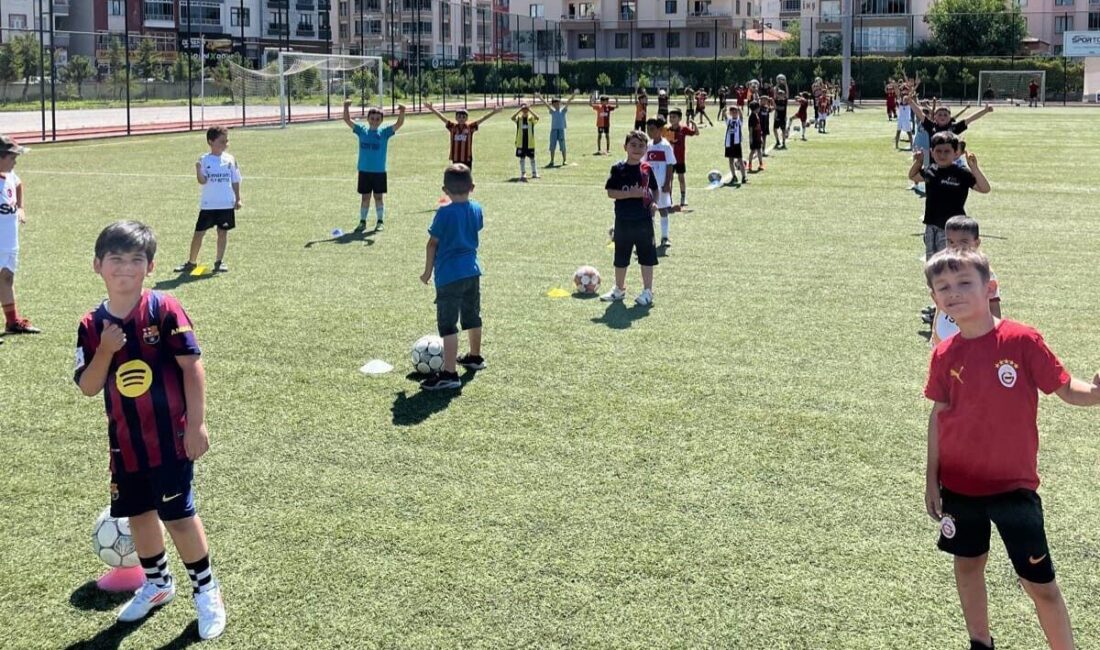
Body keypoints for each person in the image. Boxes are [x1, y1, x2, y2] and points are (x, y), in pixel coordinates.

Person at [923, 246, 1100, 650]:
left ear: (990, 288)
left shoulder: (1021, 340)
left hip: (1013, 489)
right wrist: (931, 479)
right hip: (959, 488)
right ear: (934, 299)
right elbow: (938, 416)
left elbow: (1066, 388)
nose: (954, 292)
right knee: (967, 566)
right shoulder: (944, 353)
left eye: (964, 282)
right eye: (943, 287)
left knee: (1040, 585)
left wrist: (1095, 393)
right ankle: (980, 643)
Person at [75, 220, 226, 640]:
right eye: (116, 260)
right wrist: (106, 349)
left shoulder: (164, 309)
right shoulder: (91, 325)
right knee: (140, 516)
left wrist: (196, 424)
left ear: (150, 266)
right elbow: (88, 386)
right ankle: (158, 584)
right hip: (125, 445)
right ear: (97, 266)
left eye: (135, 260)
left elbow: (192, 367)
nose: (125, 268)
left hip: (171, 441)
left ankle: (207, 590)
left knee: (179, 517)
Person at [418, 164, 485, 391]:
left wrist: (427, 272)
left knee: (448, 325)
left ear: (445, 189)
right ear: (472, 187)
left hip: (449, 275)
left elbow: (432, 243)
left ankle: (449, 373)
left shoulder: (444, 213)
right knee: (472, 316)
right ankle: (475, 357)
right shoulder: (476, 208)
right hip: (472, 271)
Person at [908, 132, 991, 263]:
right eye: (938, 151)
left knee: (948, 263)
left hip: (952, 229)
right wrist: (918, 162)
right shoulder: (931, 170)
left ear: (955, 153)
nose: (942, 155)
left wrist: (974, 168)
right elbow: (913, 176)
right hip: (931, 225)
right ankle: (934, 284)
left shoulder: (961, 173)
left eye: (947, 151)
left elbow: (985, 188)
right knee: (932, 264)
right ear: (932, 152)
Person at [601, 130, 659, 307]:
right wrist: (630, 194)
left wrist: (654, 203)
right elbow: (611, 192)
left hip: (643, 221)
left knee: (646, 257)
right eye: (633, 145)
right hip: (623, 221)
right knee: (621, 256)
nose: (637, 148)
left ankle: (647, 291)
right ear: (625, 147)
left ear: (646, 149)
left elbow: (655, 190)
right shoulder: (618, 169)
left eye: (641, 146)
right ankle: (619, 289)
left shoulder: (647, 169)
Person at [173, 127, 242, 275]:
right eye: (222, 141)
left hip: (225, 204)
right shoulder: (204, 160)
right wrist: (198, 169)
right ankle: (191, 263)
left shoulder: (230, 159)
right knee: (199, 233)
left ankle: (219, 262)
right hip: (208, 204)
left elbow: (235, 180)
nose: (226, 144)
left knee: (222, 233)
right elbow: (202, 181)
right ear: (211, 142)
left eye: (227, 140)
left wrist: (238, 198)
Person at [928, 216, 1001, 343]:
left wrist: (994, 335)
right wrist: (935, 331)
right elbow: (939, 305)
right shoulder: (942, 270)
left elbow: (994, 307)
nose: (956, 248)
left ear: (977, 243)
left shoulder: (985, 273)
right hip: (944, 334)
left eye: (963, 243)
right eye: (950, 242)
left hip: (972, 334)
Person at [344, 99, 406, 232]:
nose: (374, 120)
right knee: (365, 197)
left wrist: (402, 111)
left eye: (378, 119)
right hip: (364, 171)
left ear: (381, 120)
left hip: (379, 172)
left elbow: (399, 123)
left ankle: (380, 221)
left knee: (378, 197)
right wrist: (346, 107)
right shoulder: (361, 130)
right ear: (368, 119)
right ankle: (362, 221)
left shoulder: (384, 133)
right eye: (372, 118)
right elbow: (347, 120)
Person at [0, 134, 39, 341]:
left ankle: (12, 321)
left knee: (7, 278)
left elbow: (18, 184)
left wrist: (21, 208)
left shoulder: (10, 175)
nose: (15, 161)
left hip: (9, 241)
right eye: (12, 157)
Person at [424, 102, 502, 168]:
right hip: (456, 158)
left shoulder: (470, 127)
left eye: (463, 117)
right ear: (456, 118)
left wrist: (493, 112)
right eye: (459, 117)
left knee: (466, 179)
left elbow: (482, 119)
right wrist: (432, 109)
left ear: (466, 118)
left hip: (467, 159)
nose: (461, 119)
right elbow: (442, 118)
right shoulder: (452, 127)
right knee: (456, 179)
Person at [644, 118, 677, 248]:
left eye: (652, 129)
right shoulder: (648, 145)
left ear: (659, 130)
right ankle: (649, 237)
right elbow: (644, 164)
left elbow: (670, 165)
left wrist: (667, 183)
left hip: (662, 184)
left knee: (663, 210)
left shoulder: (665, 146)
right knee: (649, 211)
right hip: (649, 186)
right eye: (648, 129)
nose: (649, 132)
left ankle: (665, 237)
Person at [664, 108, 698, 207]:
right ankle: (668, 199)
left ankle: (683, 197)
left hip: (680, 159)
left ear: (679, 118)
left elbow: (696, 133)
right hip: (669, 159)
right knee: (669, 179)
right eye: (670, 117)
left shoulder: (683, 129)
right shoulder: (666, 129)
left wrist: (694, 124)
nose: (671, 119)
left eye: (674, 117)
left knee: (681, 178)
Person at [535, 92, 577, 167]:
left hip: (561, 130)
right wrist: (540, 97)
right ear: (553, 105)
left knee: (562, 146)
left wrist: (574, 94)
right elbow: (545, 104)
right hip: (553, 130)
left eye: (558, 103)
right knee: (552, 146)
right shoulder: (552, 111)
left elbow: (568, 101)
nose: (556, 105)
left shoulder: (563, 111)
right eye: (555, 104)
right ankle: (552, 161)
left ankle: (564, 160)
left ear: (560, 103)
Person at [511, 103, 540, 181]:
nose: (525, 110)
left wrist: (530, 110)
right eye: (523, 109)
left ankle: (534, 173)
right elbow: (512, 118)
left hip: (530, 142)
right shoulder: (519, 118)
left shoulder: (531, 118)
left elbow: (537, 118)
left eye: (526, 109)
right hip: (521, 142)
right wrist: (519, 110)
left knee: (532, 158)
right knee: (522, 158)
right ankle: (523, 173)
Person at [723, 105, 747, 186]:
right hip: (729, 143)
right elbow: (725, 116)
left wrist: (739, 109)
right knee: (731, 161)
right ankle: (734, 176)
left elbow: (741, 117)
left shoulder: (739, 121)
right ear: (730, 113)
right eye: (732, 112)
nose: (734, 113)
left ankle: (744, 176)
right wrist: (724, 111)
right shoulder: (729, 121)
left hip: (736, 143)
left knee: (740, 160)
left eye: (735, 112)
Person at [747, 101, 764, 173]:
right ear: (756, 108)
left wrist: (760, 136)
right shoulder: (752, 117)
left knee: (759, 150)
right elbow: (750, 129)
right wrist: (751, 138)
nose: (759, 108)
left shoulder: (756, 115)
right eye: (758, 107)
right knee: (753, 151)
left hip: (758, 136)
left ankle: (761, 164)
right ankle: (749, 164)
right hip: (754, 137)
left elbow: (758, 127)